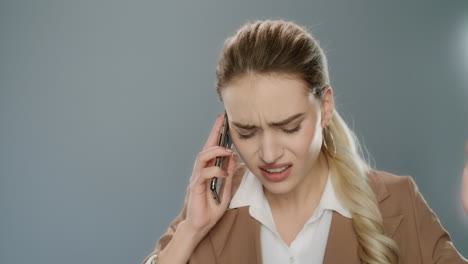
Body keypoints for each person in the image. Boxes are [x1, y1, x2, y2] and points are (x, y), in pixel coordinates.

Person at [142, 19, 467, 264]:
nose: (268, 154)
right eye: (246, 132)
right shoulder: (211, 210)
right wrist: (191, 229)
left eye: (289, 127)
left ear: (325, 108)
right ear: (226, 128)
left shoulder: (396, 202)